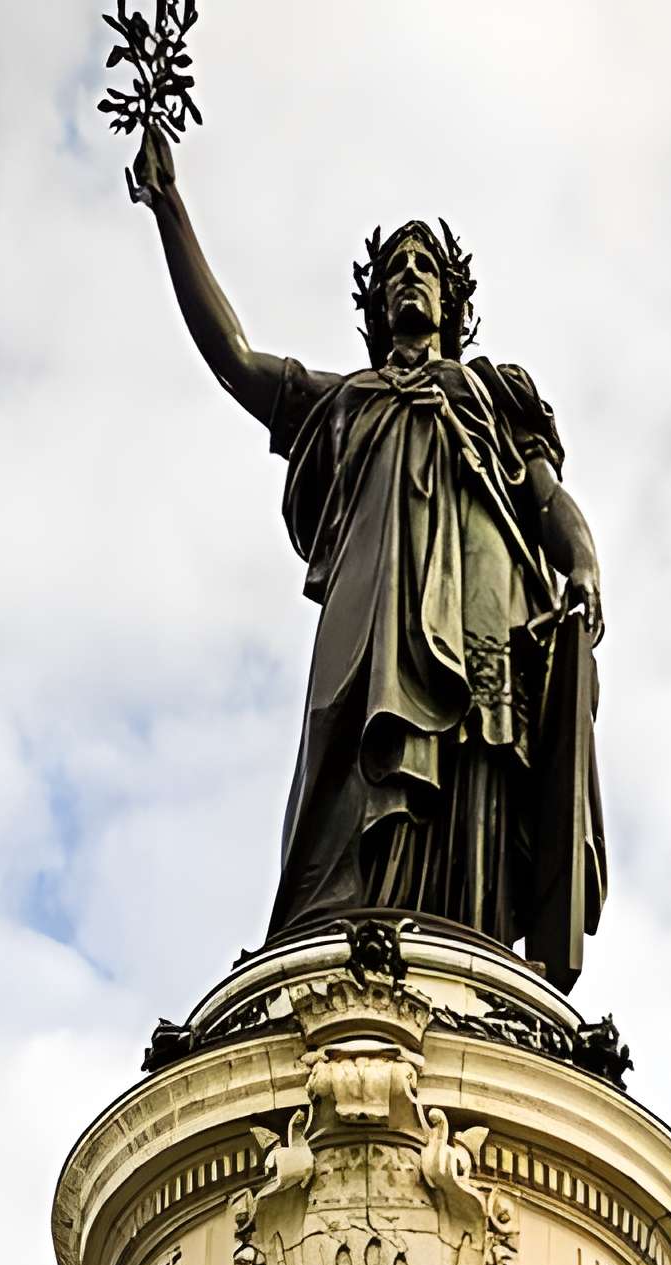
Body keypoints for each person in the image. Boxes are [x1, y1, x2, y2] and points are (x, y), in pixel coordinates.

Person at [127, 129, 607, 987]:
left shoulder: (493, 393)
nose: (410, 276)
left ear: (453, 300)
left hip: (484, 601)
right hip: (369, 611)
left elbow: (546, 500)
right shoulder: (342, 400)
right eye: (395, 269)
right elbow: (233, 360)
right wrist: (171, 211)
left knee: (478, 763)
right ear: (376, 305)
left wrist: (584, 564)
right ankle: (342, 938)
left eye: (425, 264)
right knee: (342, 770)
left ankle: (471, 952)